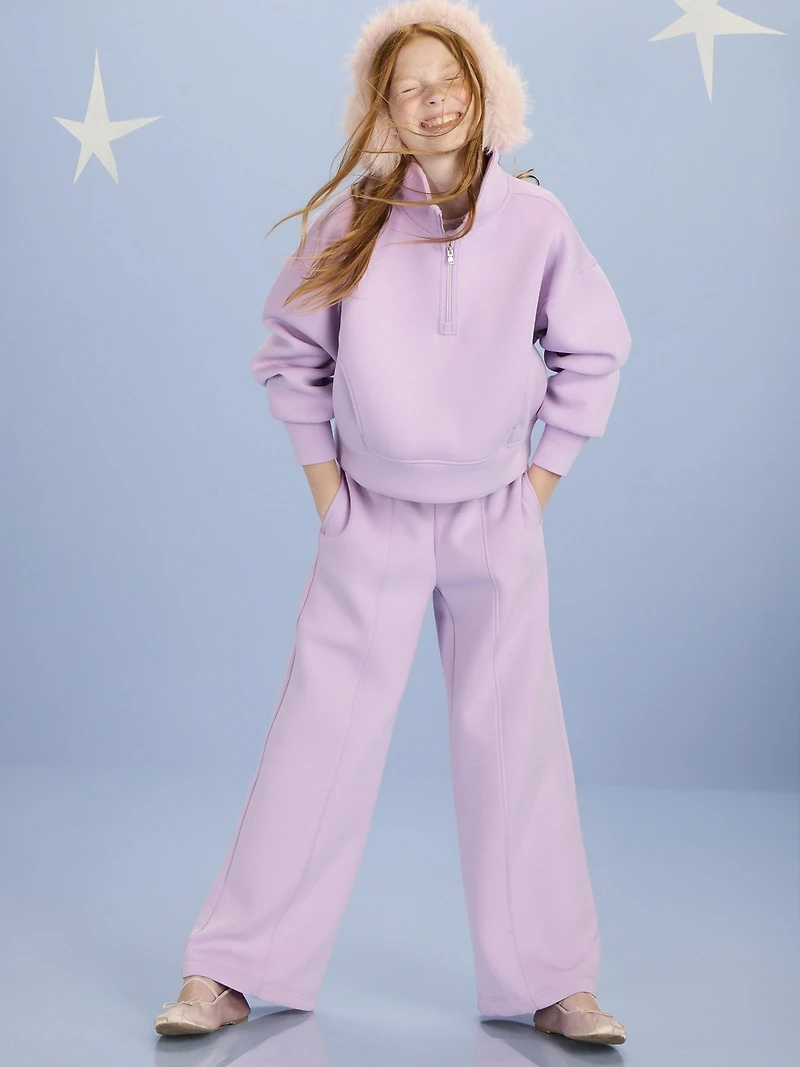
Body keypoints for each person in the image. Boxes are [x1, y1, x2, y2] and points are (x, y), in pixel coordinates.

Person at [154, 0, 632, 1045]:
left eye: (448, 78)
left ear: (484, 89)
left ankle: (554, 979)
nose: (433, 99)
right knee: (317, 734)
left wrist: (535, 487)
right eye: (408, 86)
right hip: (370, 517)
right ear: (382, 109)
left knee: (515, 741)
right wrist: (331, 498)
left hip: (493, 518)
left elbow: (593, 350)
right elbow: (290, 356)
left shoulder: (536, 221)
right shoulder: (352, 221)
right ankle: (231, 967)